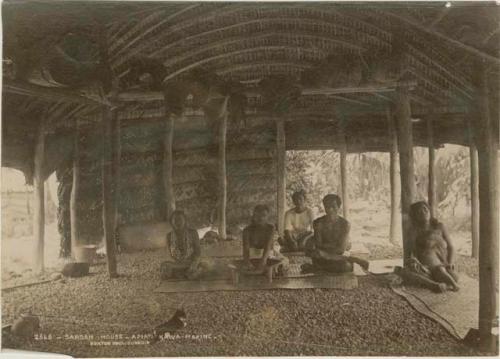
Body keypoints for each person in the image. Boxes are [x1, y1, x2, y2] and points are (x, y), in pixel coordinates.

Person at [402, 201, 459, 291]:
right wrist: (413, 262)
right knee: (406, 272)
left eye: (425, 209)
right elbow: (410, 251)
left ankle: (438, 282)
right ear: (415, 216)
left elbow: (451, 247)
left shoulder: (440, 226)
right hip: (427, 265)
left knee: (454, 277)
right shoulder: (414, 231)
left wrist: (450, 262)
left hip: (444, 262)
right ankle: (434, 284)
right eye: (419, 212)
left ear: (429, 210)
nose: (424, 212)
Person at [304, 194, 369, 273]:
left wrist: (327, 254)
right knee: (318, 254)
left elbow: (341, 250)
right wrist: (334, 246)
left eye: (333, 206)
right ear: (324, 207)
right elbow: (318, 246)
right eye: (327, 206)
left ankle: (318, 268)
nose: (330, 209)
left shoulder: (345, 224)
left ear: (339, 207)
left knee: (346, 267)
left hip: (335, 256)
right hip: (323, 257)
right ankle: (351, 259)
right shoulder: (318, 223)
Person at [160, 210, 214, 280]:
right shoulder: (169, 236)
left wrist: (194, 263)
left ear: (185, 221)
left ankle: (184, 273)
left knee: (204, 265)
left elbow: (198, 252)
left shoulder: (193, 233)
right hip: (177, 264)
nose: (177, 222)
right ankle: (185, 273)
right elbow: (168, 255)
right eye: (175, 220)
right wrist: (175, 263)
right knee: (165, 266)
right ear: (171, 222)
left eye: (180, 219)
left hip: (190, 262)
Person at [242, 204, 289, 274]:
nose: (260, 218)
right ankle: (266, 269)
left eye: (264, 215)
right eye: (258, 215)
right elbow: (246, 249)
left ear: (267, 217)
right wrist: (247, 262)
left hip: (268, 255)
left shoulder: (270, 228)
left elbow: (268, 246)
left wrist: (263, 261)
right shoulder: (247, 230)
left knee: (285, 261)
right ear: (254, 216)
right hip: (253, 257)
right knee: (245, 267)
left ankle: (269, 269)